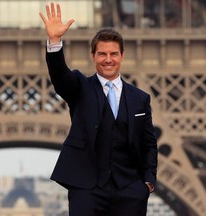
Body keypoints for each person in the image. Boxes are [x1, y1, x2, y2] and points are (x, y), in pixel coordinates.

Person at [39, 2, 158, 216]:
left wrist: (147, 182)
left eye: (113, 54)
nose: (108, 60)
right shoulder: (80, 88)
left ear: (122, 56)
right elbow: (59, 76)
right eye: (102, 54)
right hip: (87, 189)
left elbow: (149, 143)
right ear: (93, 56)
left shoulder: (140, 98)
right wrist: (55, 41)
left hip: (129, 189)